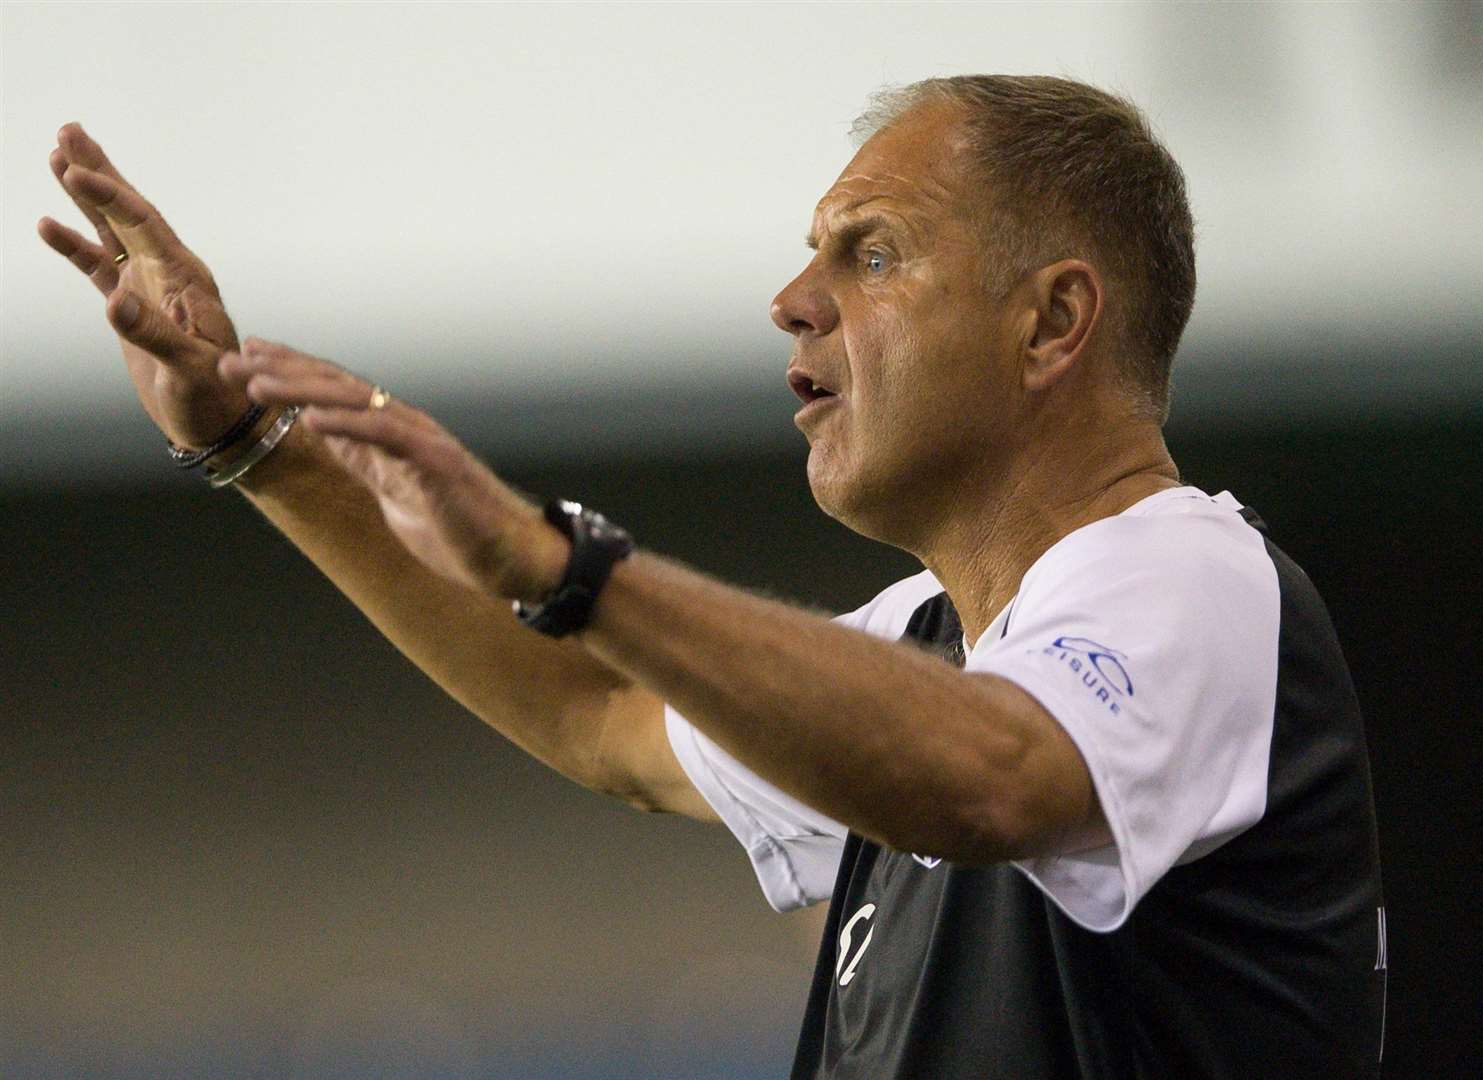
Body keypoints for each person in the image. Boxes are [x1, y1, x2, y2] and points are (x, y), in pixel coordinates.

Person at [40, 75, 1385, 1078]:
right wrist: (258, 447)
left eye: (872, 252)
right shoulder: (932, 642)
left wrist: (561, 561)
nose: (794, 298)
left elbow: (992, 775)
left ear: (1051, 323)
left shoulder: (1192, 578)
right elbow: (602, 719)